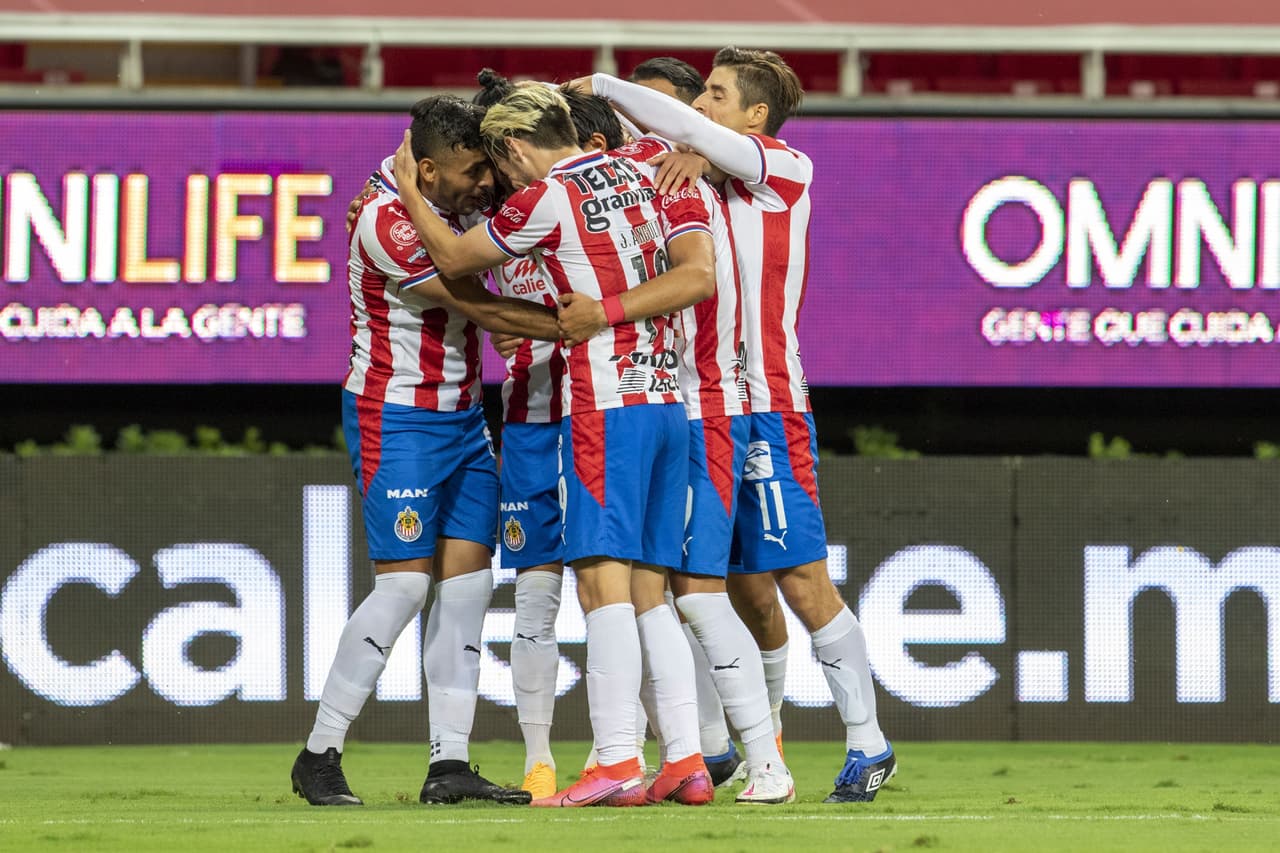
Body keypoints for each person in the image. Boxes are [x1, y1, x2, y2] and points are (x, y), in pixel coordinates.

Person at [389, 82, 717, 807]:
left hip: (603, 407)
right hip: (668, 402)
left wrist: (407, 191)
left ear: (511, 146)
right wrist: (694, 148)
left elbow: (450, 258)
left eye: (500, 164)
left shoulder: (543, 200)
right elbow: (698, 266)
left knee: (601, 584)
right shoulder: (647, 165)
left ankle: (615, 760)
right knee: (649, 591)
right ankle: (687, 760)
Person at [584, 47, 896, 803]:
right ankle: (740, 748)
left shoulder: (785, 169)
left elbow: (688, 131)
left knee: (800, 578)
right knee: (698, 583)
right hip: (694, 409)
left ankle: (868, 742)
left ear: (755, 116)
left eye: (718, 94)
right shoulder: (684, 172)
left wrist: (595, 83)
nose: (704, 105)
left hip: (766, 406)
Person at [290, 95, 558, 807]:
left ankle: (449, 763)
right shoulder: (385, 219)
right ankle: (320, 751)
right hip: (396, 418)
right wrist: (572, 324)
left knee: (469, 590)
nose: (484, 185)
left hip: (466, 421)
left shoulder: (457, 194)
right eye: (472, 172)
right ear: (428, 168)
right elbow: (477, 302)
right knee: (405, 586)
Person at [558, 59, 795, 804]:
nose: (683, 118)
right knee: (664, 592)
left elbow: (698, 278)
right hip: (673, 401)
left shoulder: (751, 171)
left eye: (702, 102)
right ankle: (699, 756)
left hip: (710, 405)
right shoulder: (660, 174)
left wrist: (598, 84)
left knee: (690, 591)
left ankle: (762, 758)